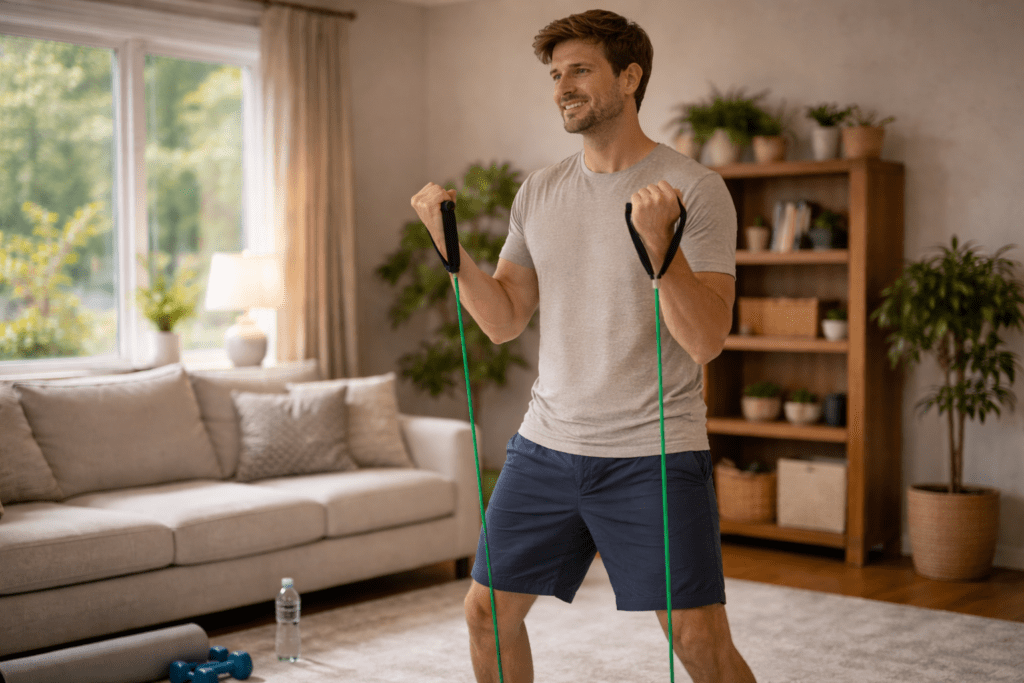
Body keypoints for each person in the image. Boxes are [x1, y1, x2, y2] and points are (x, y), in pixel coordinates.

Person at [410, 9, 756, 683]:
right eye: (554, 73)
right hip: (547, 446)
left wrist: (663, 254)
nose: (562, 86)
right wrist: (450, 251)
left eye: (579, 70)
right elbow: (504, 316)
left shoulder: (694, 189)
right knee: (485, 613)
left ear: (631, 77)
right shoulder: (539, 192)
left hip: (652, 451)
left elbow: (707, 339)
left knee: (698, 642)